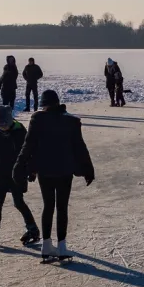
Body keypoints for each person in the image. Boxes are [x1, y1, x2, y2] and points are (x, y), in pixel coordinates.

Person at [14, 89, 95, 262]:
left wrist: (19, 166)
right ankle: (62, 246)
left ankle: (46, 245)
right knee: (62, 207)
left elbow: (28, 146)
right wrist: (88, 169)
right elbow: (80, 147)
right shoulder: (71, 122)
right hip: (65, 170)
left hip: (45, 171)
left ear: (44, 105)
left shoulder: (37, 120)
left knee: (48, 206)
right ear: (58, 103)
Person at [0, 105, 40, 248]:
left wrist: (32, 170)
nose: (2, 127)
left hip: (17, 173)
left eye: (4, 125)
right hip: (1, 173)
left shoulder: (20, 132)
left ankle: (32, 229)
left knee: (18, 202)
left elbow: (30, 152)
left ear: (10, 122)